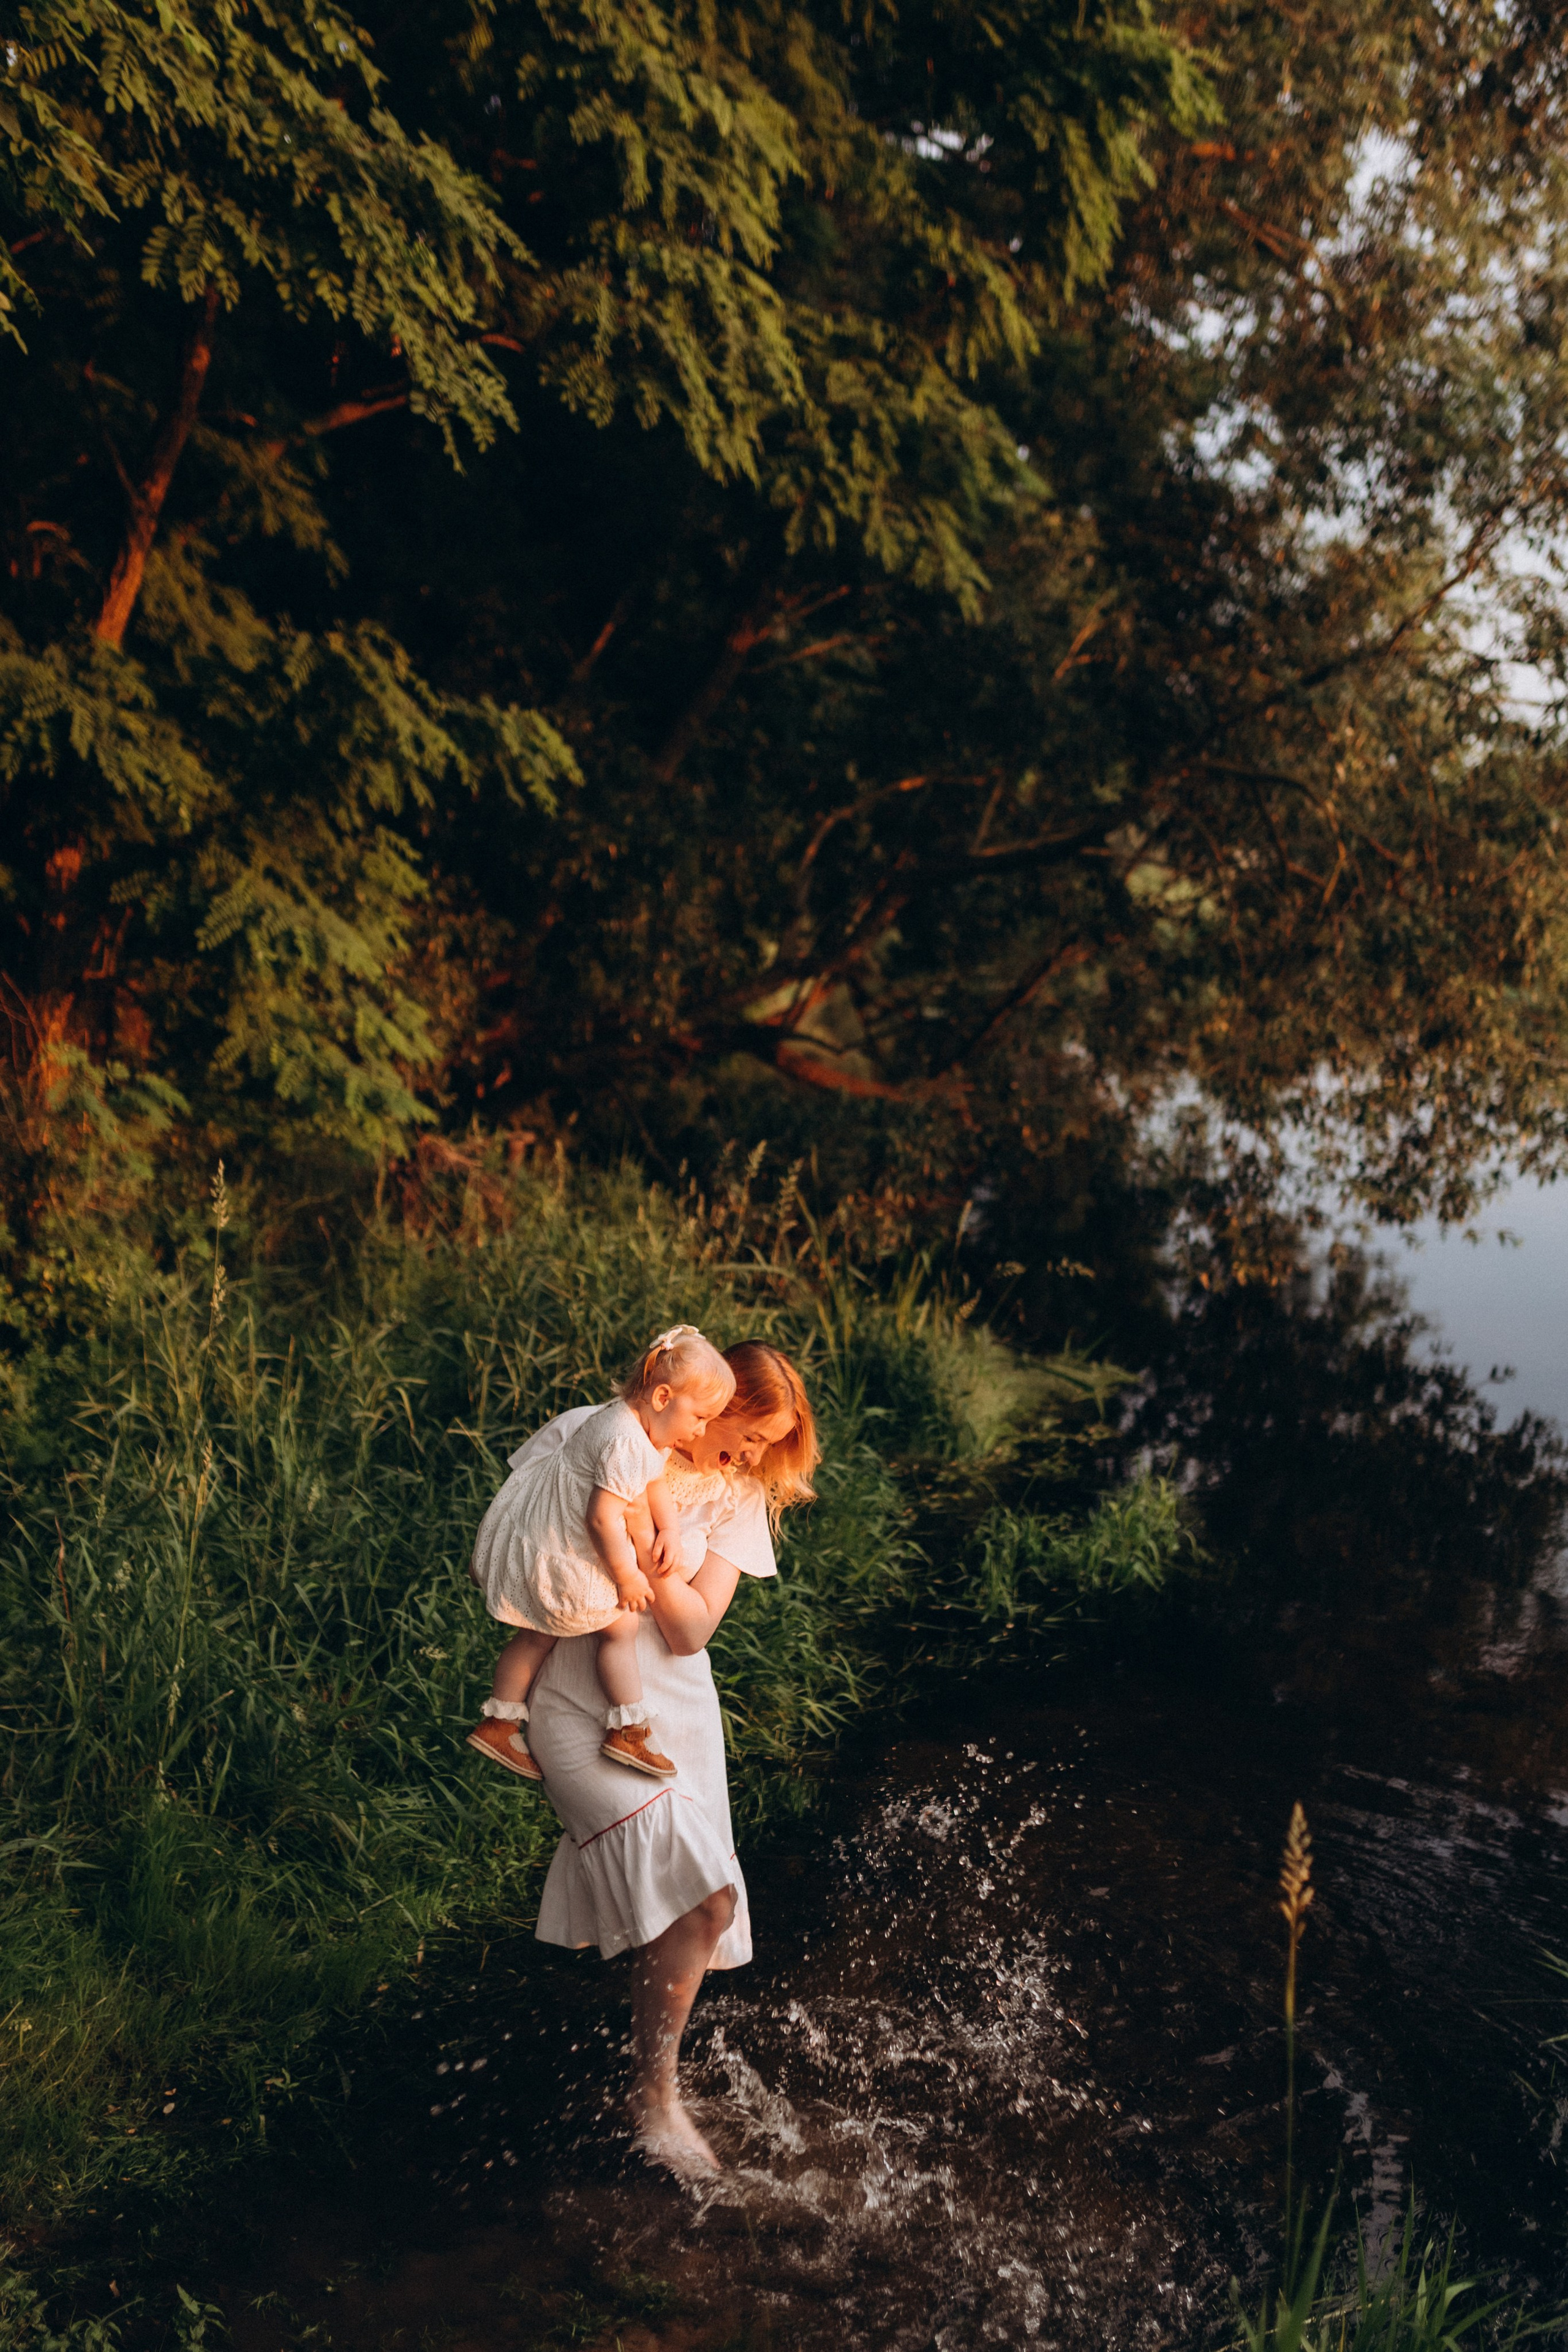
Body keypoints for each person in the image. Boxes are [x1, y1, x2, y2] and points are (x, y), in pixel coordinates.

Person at [515, 1340, 818, 2177]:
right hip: (579, 1704)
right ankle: (653, 2102)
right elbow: (517, 1545)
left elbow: (689, 1630)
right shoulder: (593, 1435)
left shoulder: (737, 1493)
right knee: (703, 1897)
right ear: (707, 1402)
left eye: (768, 1446)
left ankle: (651, 2089)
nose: (754, 1455)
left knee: (698, 1910)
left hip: (673, 1716)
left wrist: (648, 1541)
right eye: (752, 1433)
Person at [465, 1326, 736, 1780]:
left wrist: (667, 1528)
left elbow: (653, 1480)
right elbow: (601, 1518)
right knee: (621, 1626)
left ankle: (501, 1721)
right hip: (560, 1549)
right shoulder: (624, 1441)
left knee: (537, 1634)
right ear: (664, 1397)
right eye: (701, 1417)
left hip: (551, 1535)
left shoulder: (634, 1423)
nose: (702, 1431)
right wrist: (627, 1576)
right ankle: (628, 1730)